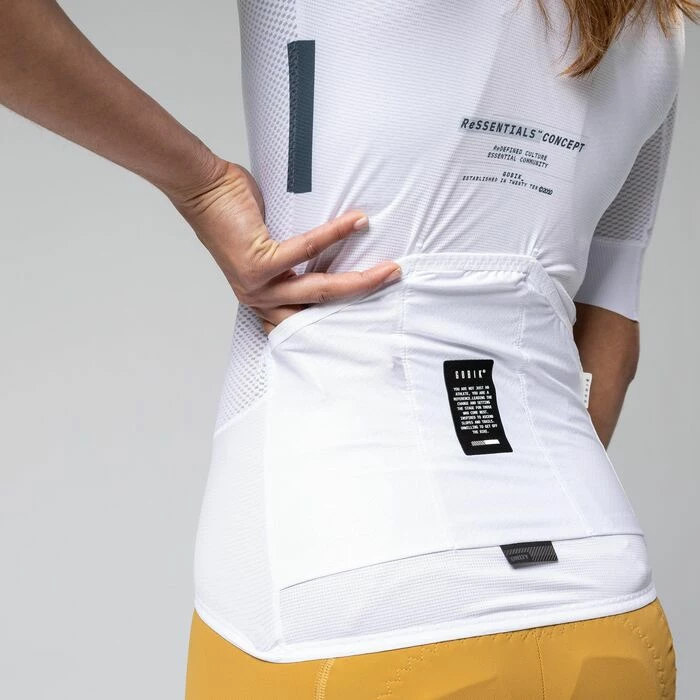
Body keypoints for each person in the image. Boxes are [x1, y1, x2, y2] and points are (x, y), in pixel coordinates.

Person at [1, 0, 696, 697]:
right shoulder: (660, 25)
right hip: (603, 599)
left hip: (344, 606)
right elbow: (611, 338)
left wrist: (202, 186)